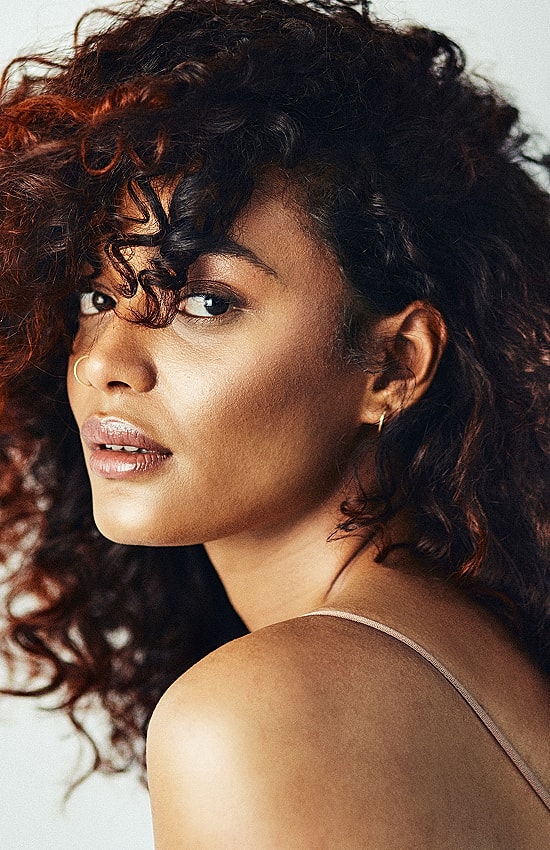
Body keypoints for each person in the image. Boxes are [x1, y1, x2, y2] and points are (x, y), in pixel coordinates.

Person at [0, 0, 548, 845]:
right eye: (96, 295)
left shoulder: (262, 715)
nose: (107, 358)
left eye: (204, 302)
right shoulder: (463, 649)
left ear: (396, 365)